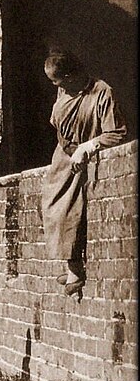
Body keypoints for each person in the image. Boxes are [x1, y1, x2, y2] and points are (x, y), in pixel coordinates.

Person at [41, 51, 126, 295]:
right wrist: (68, 146)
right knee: (50, 205)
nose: (56, 86)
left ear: (70, 76)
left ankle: (76, 270)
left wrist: (88, 147)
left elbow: (117, 132)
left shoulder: (101, 92)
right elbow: (58, 122)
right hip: (63, 156)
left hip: (82, 158)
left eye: (57, 81)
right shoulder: (63, 91)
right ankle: (69, 265)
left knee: (70, 208)